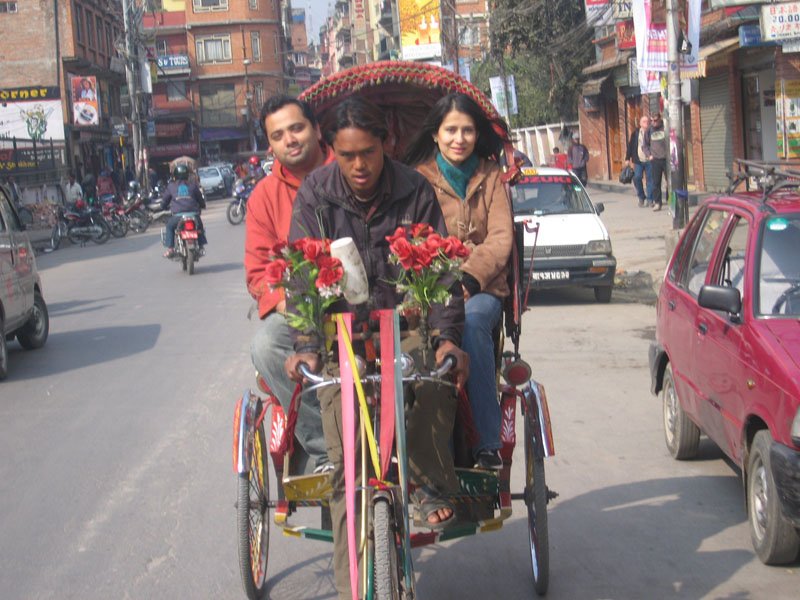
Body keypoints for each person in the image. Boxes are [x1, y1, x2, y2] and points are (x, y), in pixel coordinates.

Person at [284, 96, 469, 599]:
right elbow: (301, 278)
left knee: (434, 378)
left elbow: (439, 271)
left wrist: (447, 337)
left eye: (367, 152)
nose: (359, 166)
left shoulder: (414, 191)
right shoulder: (315, 195)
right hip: (340, 334)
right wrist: (306, 343)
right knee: (349, 473)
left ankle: (428, 480)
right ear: (332, 151)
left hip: (404, 324)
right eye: (347, 156)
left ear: (386, 143)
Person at [404, 92, 514, 471]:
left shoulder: (491, 176)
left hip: (482, 288)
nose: (459, 139)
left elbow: (501, 238)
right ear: (436, 134)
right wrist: (444, 279)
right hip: (432, 286)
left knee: (472, 324)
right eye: (451, 130)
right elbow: (414, 238)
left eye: (467, 130)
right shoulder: (418, 179)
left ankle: (486, 443)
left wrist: (469, 276)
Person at [245, 95, 335, 473]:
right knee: (266, 346)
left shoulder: (351, 165)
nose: (290, 140)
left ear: (316, 129)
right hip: (301, 310)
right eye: (278, 135)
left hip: (362, 299)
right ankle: (326, 450)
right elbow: (258, 273)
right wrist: (297, 306)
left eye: (297, 128)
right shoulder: (264, 196)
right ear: (270, 145)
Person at [161, 163, 207, 258]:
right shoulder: (193, 185)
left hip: (178, 217)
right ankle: (201, 246)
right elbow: (200, 199)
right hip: (194, 215)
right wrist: (202, 205)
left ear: (175, 175)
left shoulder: (171, 186)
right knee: (199, 227)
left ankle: (170, 249)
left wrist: (163, 206)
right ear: (187, 175)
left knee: (169, 226)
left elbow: (164, 201)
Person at [626, 115, 653, 207]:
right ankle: (641, 197)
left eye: (647, 121)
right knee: (637, 178)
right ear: (640, 124)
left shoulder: (651, 132)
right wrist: (627, 158)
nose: (646, 123)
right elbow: (630, 146)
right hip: (638, 160)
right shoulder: (636, 133)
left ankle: (650, 199)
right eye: (644, 122)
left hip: (650, 160)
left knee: (650, 180)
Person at [643, 112, 667, 211]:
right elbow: (645, 145)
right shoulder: (649, 130)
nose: (653, 122)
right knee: (656, 183)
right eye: (652, 120)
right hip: (655, 159)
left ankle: (671, 200)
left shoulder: (665, 127)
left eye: (655, 120)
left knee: (670, 181)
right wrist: (649, 155)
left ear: (660, 119)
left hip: (666, 158)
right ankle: (658, 203)